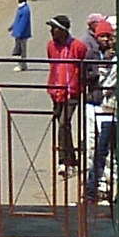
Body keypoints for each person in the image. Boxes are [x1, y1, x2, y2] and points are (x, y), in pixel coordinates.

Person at [84, 15, 119, 206]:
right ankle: (93, 192)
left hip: (112, 110)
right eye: (105, 36)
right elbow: (89, 78)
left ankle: (108, 190)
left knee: (111, 154)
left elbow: (109, 84)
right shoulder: (93, 54)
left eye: (111, 36)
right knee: (97, 150)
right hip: (100, 107)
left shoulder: (118, 59)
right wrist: (102, 68)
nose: (108, 40)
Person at [46, 15, 89, 169]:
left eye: (54, 28)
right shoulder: (51, 46)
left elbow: (84, 68)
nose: (51, 31)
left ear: (62, 30)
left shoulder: (78, 47)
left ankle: (63, 160)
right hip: (56, 90)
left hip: (72, 91)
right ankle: (71, 158)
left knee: (64, 123)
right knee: (63, 125)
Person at [10, 0, 33, 65]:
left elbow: (24, 22)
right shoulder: (20, 8)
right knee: (19, 50)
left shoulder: (25, 10)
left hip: (22, 34)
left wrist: (20, 33)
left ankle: (23, 65)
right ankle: (20, 64)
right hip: (18, 33)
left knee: (23, 50)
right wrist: (12, 26)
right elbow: (17, 20)